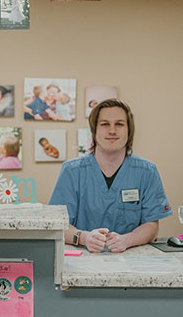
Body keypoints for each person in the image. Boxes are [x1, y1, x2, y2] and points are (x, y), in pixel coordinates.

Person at [49, 98, 172, 253]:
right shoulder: (72, 171)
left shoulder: (147, 172)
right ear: (94, 130)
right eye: (105, 124)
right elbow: (58, 223)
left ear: (129, 130)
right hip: (82, 259)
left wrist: (126, 240)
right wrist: (84, 237)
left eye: (119, 124)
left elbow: (152, 226)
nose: (112, 130)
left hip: (132, 260)